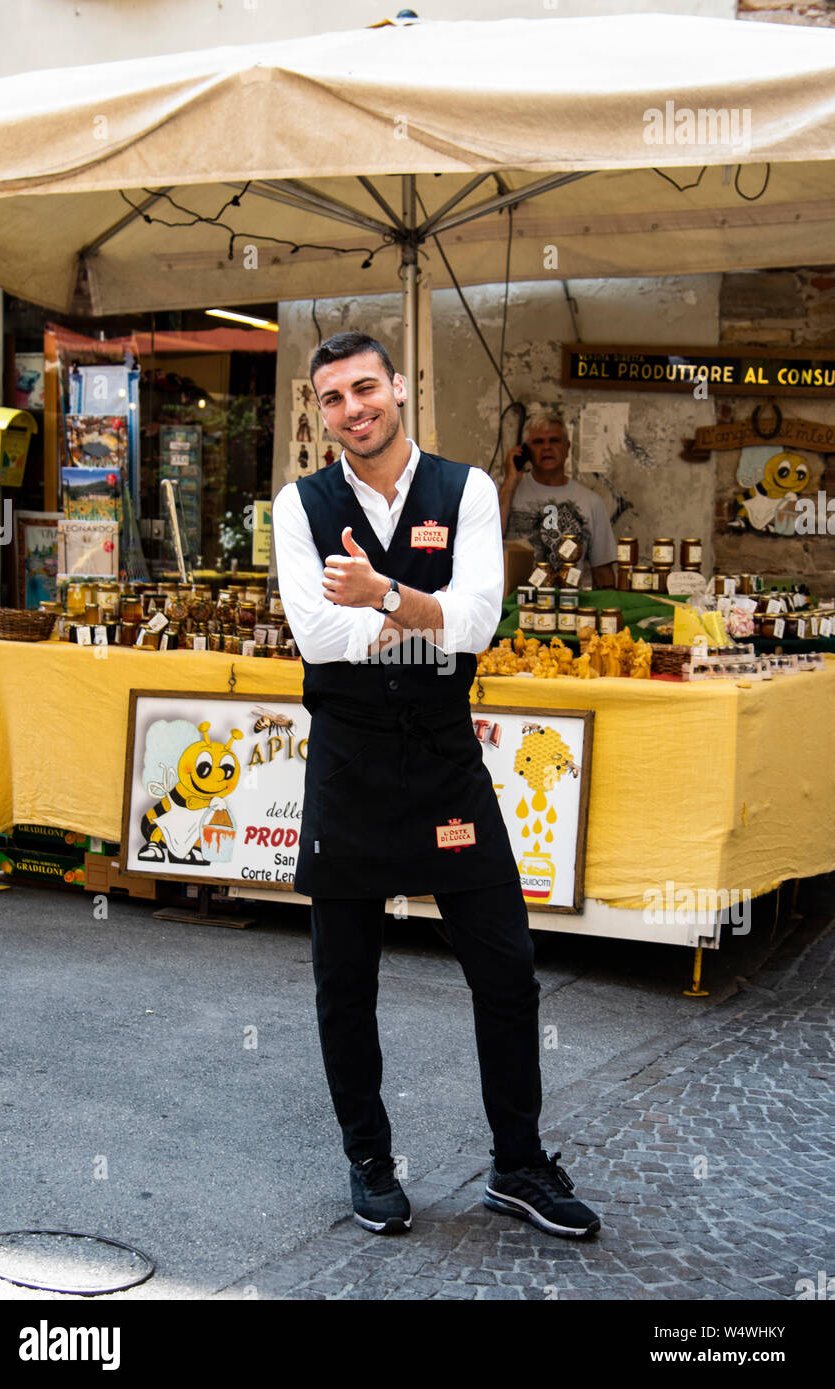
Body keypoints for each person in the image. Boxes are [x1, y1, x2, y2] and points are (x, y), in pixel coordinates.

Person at [272, 330, 600, 1240]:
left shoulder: (469, 492)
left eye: (365, 389)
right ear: (321, 412)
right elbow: (317, 641)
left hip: (445, 763)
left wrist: (378, 596)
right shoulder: (297, 505)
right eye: (333, 398)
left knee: (507, 969)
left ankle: (520, 1166)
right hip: (349, 763)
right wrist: (419, 613)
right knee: (346, 982)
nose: (353, 410)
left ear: (400, 389)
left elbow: (478, 623)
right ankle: (371, 1164)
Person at [499, 416, 618, 588]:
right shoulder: (506, 490)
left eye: (554, 441)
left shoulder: (591, 502)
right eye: (538, 442)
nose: (547, 447)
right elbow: (490, 537)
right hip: (516, 605)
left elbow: (603, 572)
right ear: (525, 450)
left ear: (567, 447)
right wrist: (510, 480)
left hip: (571, 606)